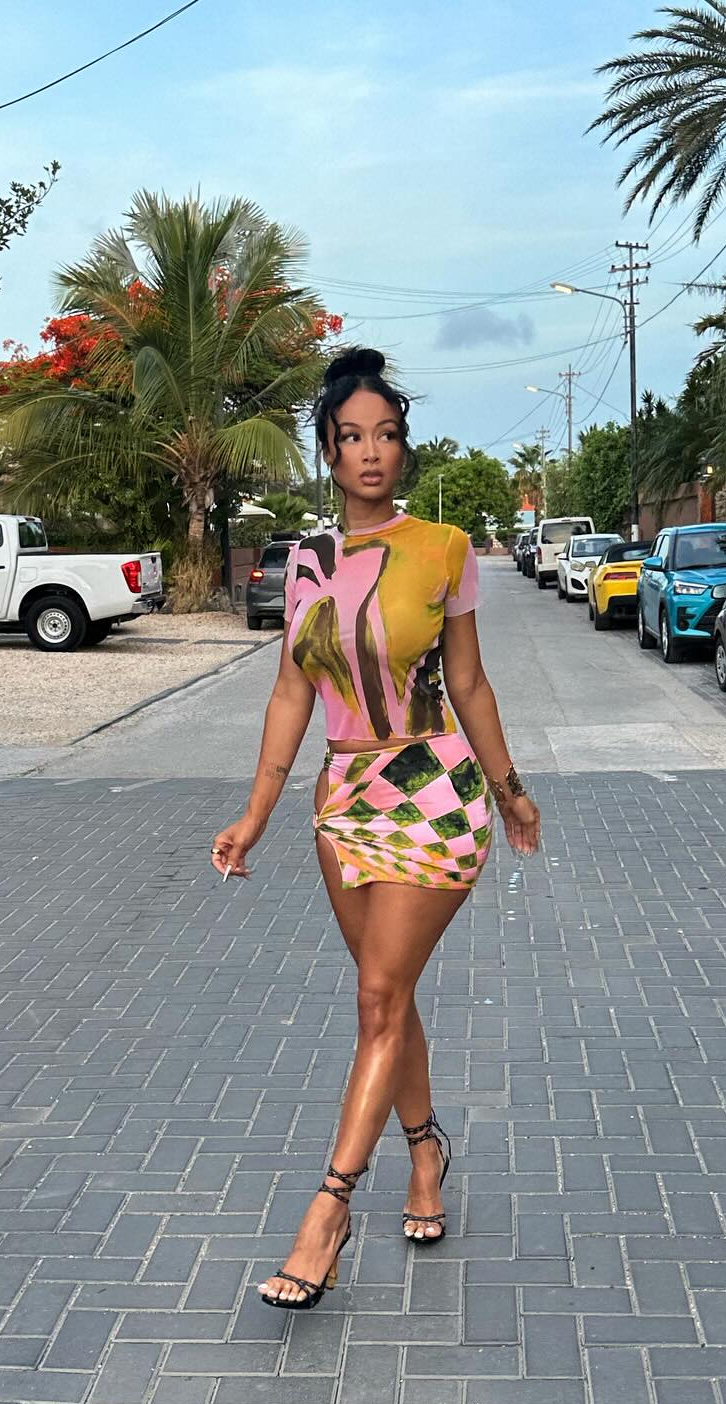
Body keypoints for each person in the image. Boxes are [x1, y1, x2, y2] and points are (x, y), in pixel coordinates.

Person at [210, 347, 542, 1311]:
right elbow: (290, 691)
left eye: (386, 435)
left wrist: (511, 790)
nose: (370, 452)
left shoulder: (444, 547)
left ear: (403, 449)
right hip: (343, 798)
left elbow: (468, 681)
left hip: (434, 789)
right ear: (327, 450)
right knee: (386, 999)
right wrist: (256, 813)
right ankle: (426, 1152)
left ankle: (330, 1208)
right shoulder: (305, 561)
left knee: (377, 997)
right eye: (351, 437)